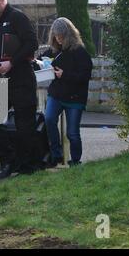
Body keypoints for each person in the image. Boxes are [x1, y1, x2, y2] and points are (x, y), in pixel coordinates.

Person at [0, 0, 39, 179]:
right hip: (3, 79)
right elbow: (0, 52)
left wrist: (12, 63)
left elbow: (33, 43)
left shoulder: (17, 17)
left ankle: (27, 168)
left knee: (25, 125)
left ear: (1, 0)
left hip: (22, 78)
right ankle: (8, 161)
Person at [44, 17, 93, 167]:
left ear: (69, 35)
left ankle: (76, 160)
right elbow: (41, 59)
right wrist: (39, 63)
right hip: (57, 94)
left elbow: (85, 76)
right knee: (49, 119)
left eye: (61, 36)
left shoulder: (80, 52)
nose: (58, 39)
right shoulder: (55, 50)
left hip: (75, 98)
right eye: (56, 36)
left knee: (72, 132)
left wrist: (64, 75)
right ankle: (56, 155)